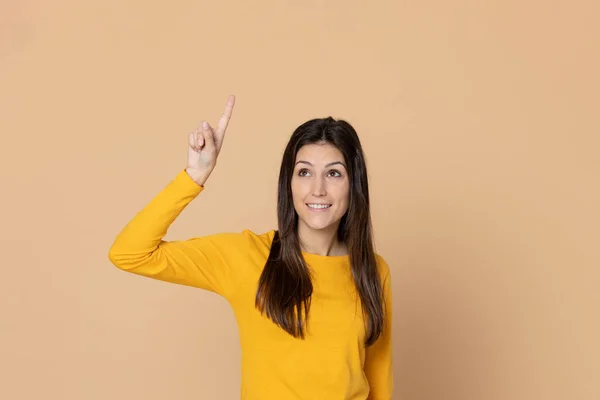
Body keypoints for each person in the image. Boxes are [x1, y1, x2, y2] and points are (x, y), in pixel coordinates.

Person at [108, 95, 393, 399]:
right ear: (289, 183)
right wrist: (194, 177)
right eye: (305, 172)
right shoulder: (248, 257)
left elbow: (378, 377)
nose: (318, 189)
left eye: (334, 173)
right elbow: (129, 253)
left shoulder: (373, 270)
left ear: (354, 184)